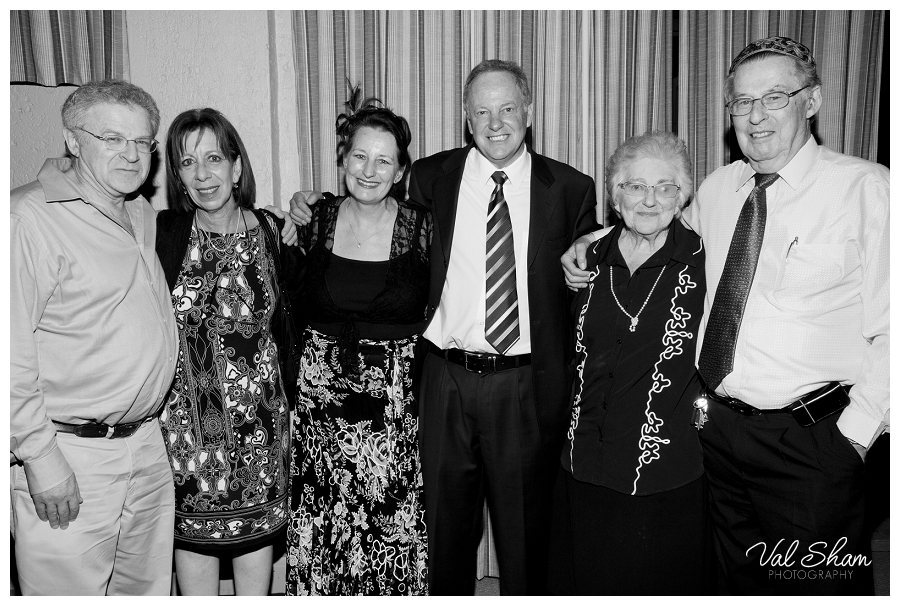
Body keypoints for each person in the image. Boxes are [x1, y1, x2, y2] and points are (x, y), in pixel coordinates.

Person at [564, 37, 889, 595]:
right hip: (716, 436)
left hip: (812, 442)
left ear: (811, 101)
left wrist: (853, 438)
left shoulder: (867, 189)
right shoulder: (719, 189)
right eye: (742, 101)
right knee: (737, 585)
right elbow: (653, 219)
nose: (756, 115)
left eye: (775, 97)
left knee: (814, 587)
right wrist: (591, 240)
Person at [291, 60, 598, 596]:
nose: (495, 123)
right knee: (440, 541)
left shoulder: (571, 188)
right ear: (466, 117)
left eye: (507, 108)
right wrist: (311, 205)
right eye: (482, 111)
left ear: (529, 112)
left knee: (526, 545)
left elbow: (596, 258)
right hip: (443, 382)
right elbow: (371, 201)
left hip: (525, 386)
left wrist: (593, 246)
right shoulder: (432, 178)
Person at [10, 79, 179, 595]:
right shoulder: (27, 218)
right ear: (72, 140)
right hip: (71, 454)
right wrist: (40, 458)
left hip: (146, 447)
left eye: (142, 142)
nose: (131, 154)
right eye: (112, 139)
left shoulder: (140, 213)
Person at [546, 131, 709, 595]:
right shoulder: (587, 259)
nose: (650, 200)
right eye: (635, 186)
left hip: (661, 469)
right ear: (615, 198)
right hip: (583, 459)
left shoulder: (705, 259)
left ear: (682, 197)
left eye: (665, 187)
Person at [285, 90, 430, 596]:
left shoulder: (424, 227)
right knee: (324, 521)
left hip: (393, 410)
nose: (369, 170)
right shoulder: (313, 221)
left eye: (383, 160)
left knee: (388, 527)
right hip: (319, 410)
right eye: (359, 156)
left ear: (400, 170)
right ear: (343, 159)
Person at [154, 108, 303, 595]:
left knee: (256, 547)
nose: (202, 174)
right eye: (187, 162)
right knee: (192, 544)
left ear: (237, 167)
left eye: (214, 158)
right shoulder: (163, 234)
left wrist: (304, 212)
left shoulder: (273, 232)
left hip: (260, 428)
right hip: (184, 433)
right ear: (177, 176)